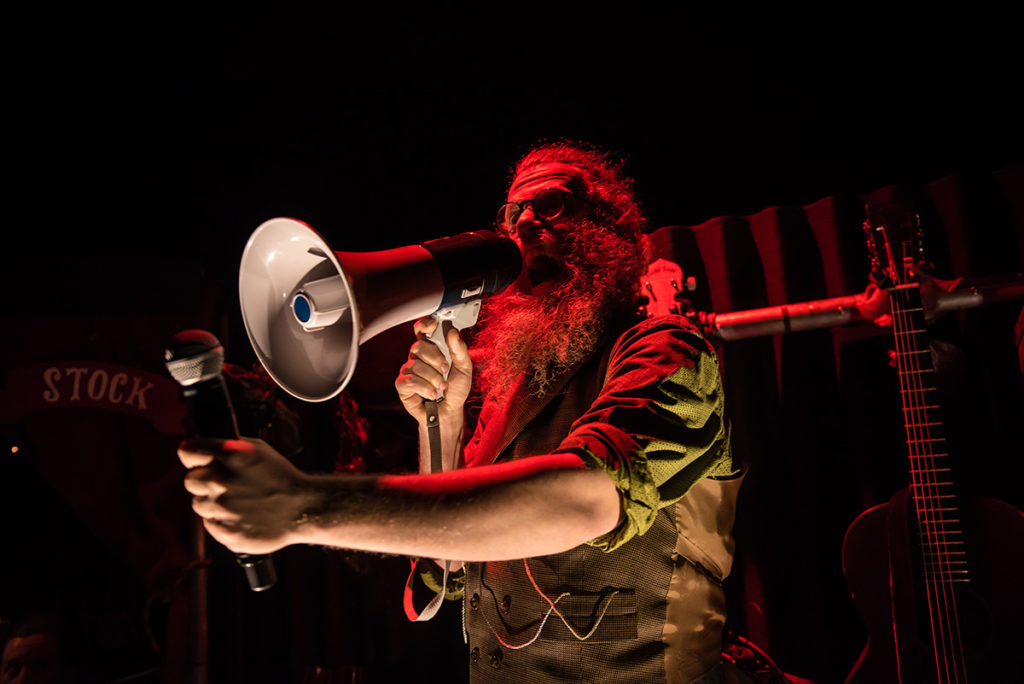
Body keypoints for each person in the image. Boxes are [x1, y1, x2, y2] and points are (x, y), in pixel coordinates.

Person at [178, 141, 745, 683]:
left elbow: (585, 498)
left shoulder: (663, 351)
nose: (524, 224)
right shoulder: (510, 390)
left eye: (552, 204)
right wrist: (443, 426)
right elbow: (440, 576)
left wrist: (304, 506)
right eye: (514, 211)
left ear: (608, 230)